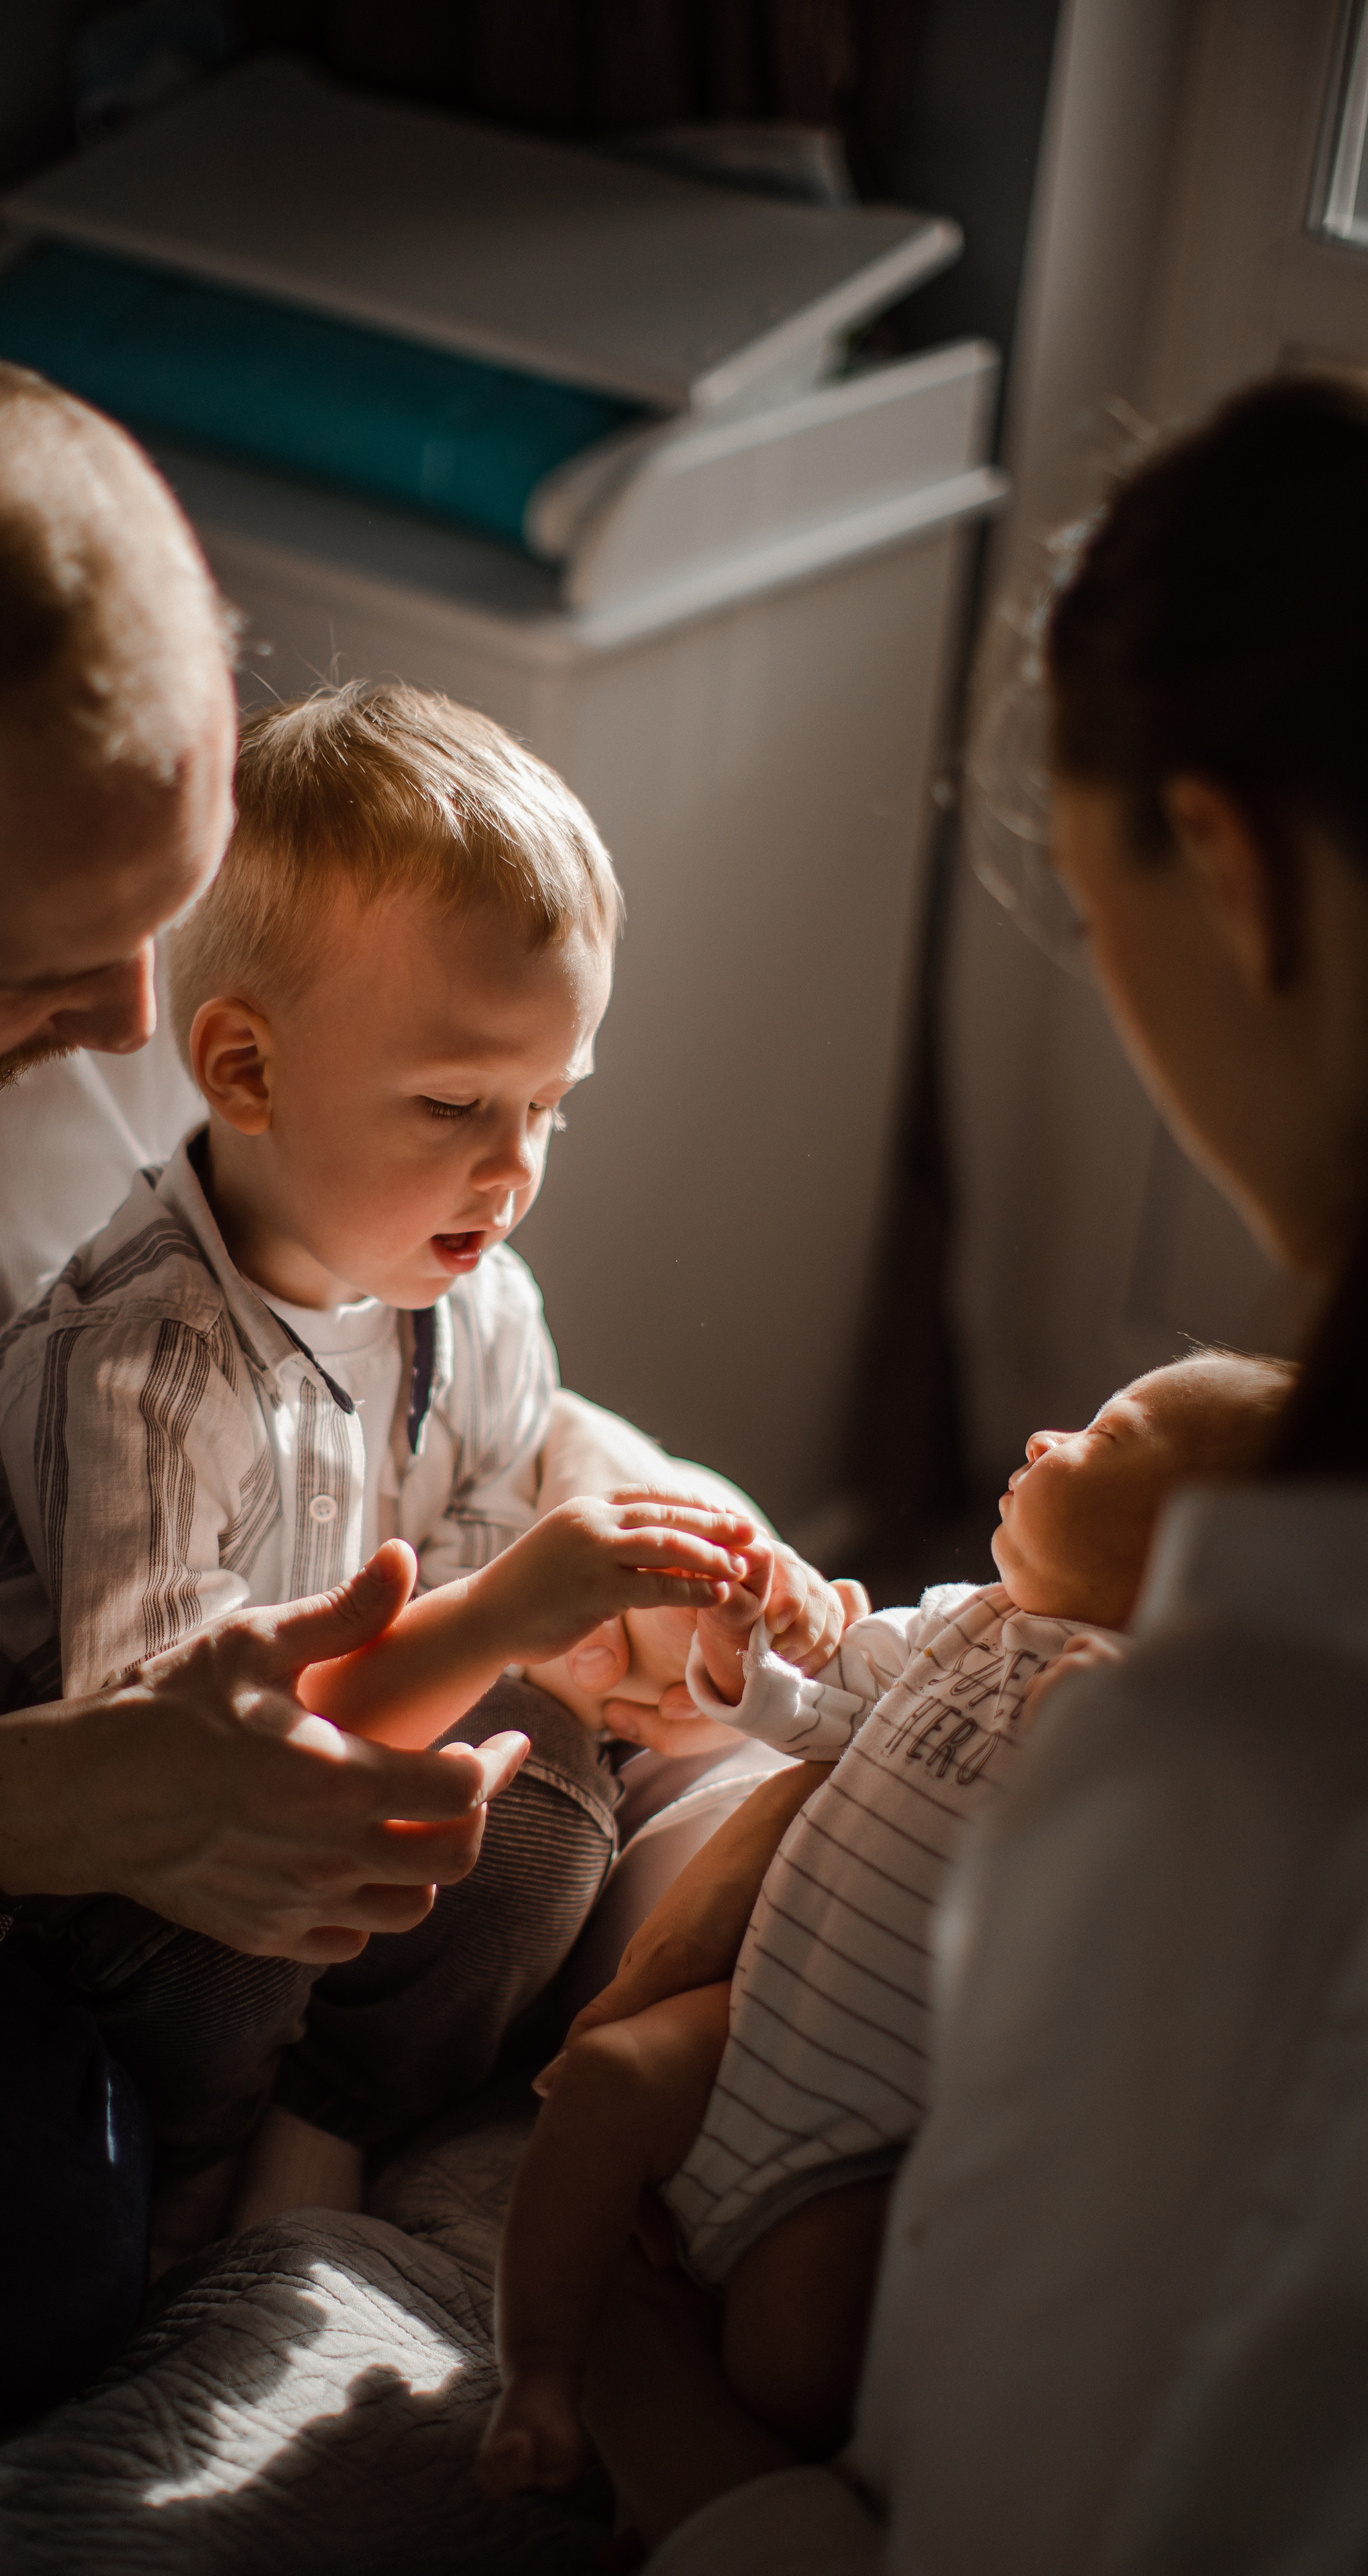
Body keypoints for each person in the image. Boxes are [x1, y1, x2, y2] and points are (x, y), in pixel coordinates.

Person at [0, 356, 840, 2443]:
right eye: (40, 964)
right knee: (5, 2247)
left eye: (159, 915)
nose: (130, 1031)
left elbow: (397, 1348)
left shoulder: (160, 969)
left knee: (702, 1835)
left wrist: (660, 1519)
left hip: (155, 1743)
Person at [558, 370, 1368, 2575]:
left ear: (1230, 867)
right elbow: (848, 1680)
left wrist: (633, 2388)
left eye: (1098, 925)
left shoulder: (1228, 1788)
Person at [0, 681, 817, 2257]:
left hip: (301, 1803)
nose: (512, 1171)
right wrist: (503, 1617)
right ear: (246, 1076)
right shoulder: (149, 1366)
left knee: (542, 1794)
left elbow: (486, 1539)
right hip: (90, 1884)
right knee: (266, 1906)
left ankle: (329, 2118)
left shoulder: (468, 1297)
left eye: (546, 1109)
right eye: (457, 1104)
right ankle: (190, 2155)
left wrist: (662, 1606)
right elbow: (176, 1779)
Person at [477, 1352, 1291, 2501]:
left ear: (1188, 1557)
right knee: (604, 2077)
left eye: (1104, 1442)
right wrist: (740, 1652)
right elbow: (823, 1707)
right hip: (748, 2029)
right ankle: (539, 2375)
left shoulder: (1143, 1723)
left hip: (869, 2141)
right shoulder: (969, 1622)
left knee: (798, 2357)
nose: (1045, 1439)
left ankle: (735, 2470)